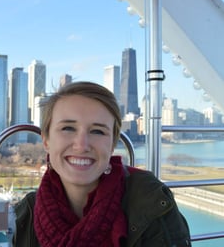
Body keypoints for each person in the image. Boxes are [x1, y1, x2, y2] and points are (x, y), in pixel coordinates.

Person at [10, 81, 191, 247]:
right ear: (46, 140)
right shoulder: (27, 213)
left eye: (97, 131)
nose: (81, 145)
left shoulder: (151, 201)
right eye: (68, 128)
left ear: (112, 145)